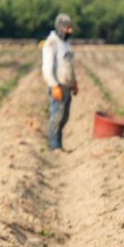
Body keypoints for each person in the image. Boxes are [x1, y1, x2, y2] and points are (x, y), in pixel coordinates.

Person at [43, 13, 79, 152]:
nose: (70, 31)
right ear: (59, 27)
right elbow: (47, 68)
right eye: (67, 28)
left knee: (64, 116)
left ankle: (58, 143)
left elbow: (68, 64)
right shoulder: (51, 43)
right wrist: (53, 86)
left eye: (70, 28)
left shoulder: (66, 43)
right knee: (57, 116)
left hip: (67, 86)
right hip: (58, 86)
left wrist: (74, 83)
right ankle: (54, 146)